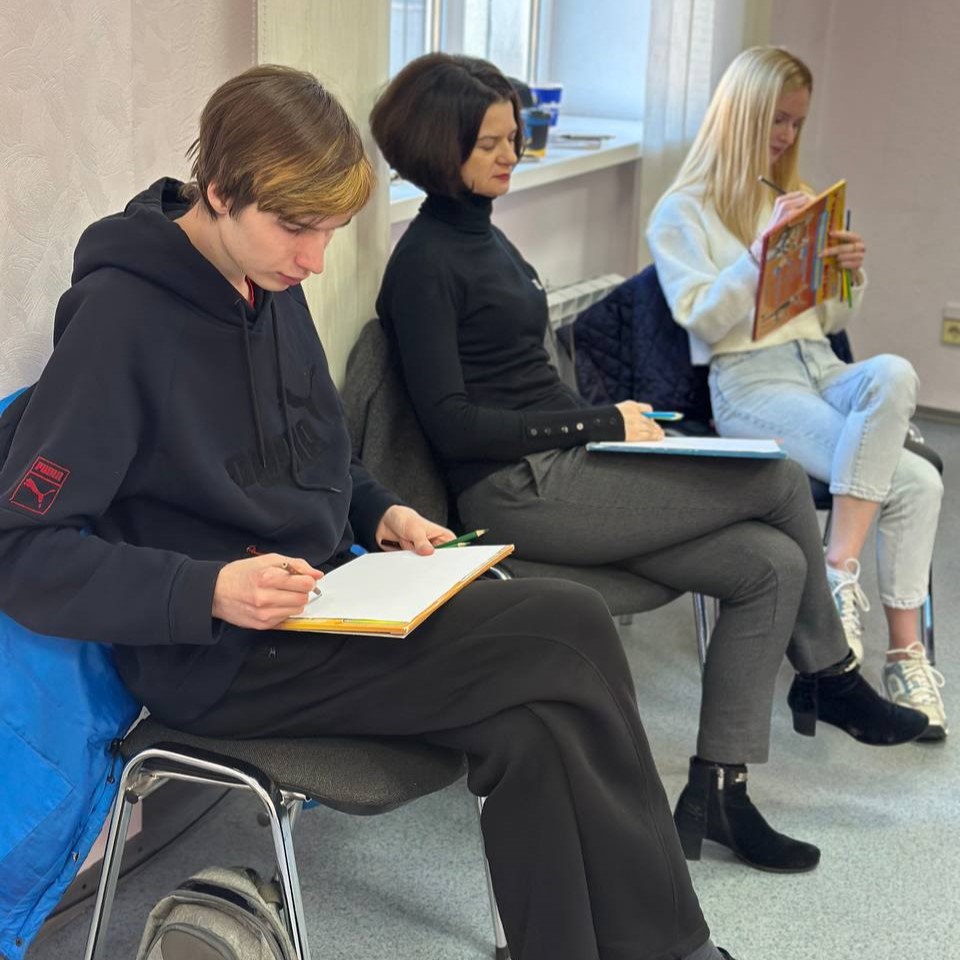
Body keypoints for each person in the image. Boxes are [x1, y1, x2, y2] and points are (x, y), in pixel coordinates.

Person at [0, 65, 741, 960]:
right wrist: (210, 589)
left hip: (326, 605)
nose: (315, 260)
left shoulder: (266, 282)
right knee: (571, 623)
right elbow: (25, 554)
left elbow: (318, 455)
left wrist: (383, 510)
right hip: (222, 654)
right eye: (297, 228)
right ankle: (681, 951)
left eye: (329, 231)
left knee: (534, 725)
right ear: (221, 191)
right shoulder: (119, 321)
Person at [369, 51, 929, 877]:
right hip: (517, 491)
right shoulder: (424, 263)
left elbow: (522, 379)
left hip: (570, 465)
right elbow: (454, 427)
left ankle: (719, 794)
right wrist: (600, 421)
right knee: (776, 476)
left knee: (770, 564)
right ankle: (830, 674)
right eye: (489, 143)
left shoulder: (485, 236)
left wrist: (612, 431)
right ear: (435, 145)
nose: (510, 155)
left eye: (514, 138)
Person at [647, 45, 947, 740]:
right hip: (749, 380)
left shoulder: (791, 195)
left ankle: (840, 571)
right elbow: (703, 320)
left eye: (796, 123)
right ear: (742, 115)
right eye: (776, 119)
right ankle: (903, 654)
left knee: (896, 371)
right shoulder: (680, 212)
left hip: (819, 364)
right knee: (918, 482)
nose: (786, 135)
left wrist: (848, 274)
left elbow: (829, 319)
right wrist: (758, 258)